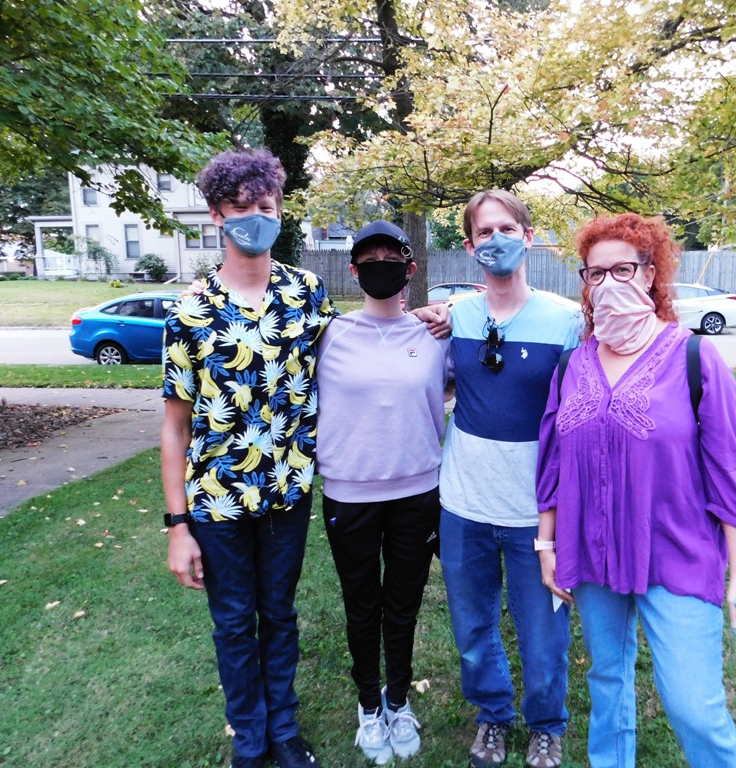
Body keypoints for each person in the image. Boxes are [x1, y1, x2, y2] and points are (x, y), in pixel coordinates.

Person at [535, 212, 736, 768]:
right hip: (593, 553)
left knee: (694, 707)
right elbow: (553, 461)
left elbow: (729, 473)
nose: (608, 284)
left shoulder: (695, 358)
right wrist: (547, 545)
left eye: (622, 269)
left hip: (676, 552)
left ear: (649, 274)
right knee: (607, 682)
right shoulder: (572, 365)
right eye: (595, 273)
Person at [161, 148, 328, 768]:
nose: (255, 217)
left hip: (288, 490)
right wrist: (178, 527)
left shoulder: (306, 294)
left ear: (280, 209)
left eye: (265, 206)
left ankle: (283, 729)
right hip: (217, 499)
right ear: (216, 215)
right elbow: (175, 427)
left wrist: (428, 319)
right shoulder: (189, 311)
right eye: (240, 208)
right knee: (234, 622)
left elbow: (358, 352)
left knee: (278, 614)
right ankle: (250, 740)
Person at [439, 189, 581, 768]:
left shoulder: (566, 321)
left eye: (506, 228)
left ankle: (547, 725)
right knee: (473, 631)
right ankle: (493, 717)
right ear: (469, 245)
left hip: (536, 513)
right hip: (463, 506)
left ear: (528, 235)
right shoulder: (455, 317)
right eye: (484, 231)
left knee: (544, 637)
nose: (495, 240)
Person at [316, 220, 449, 764]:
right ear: (354, 271)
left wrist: (446, 313)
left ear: (410, 270)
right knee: (361, 605)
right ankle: (369, 706)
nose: (380, 267)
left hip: (418, 492)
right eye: (368, 261)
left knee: (403, 605)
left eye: (390, 259)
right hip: (349, 494)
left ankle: (398, 700)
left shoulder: (437, 335)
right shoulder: (327, 334)